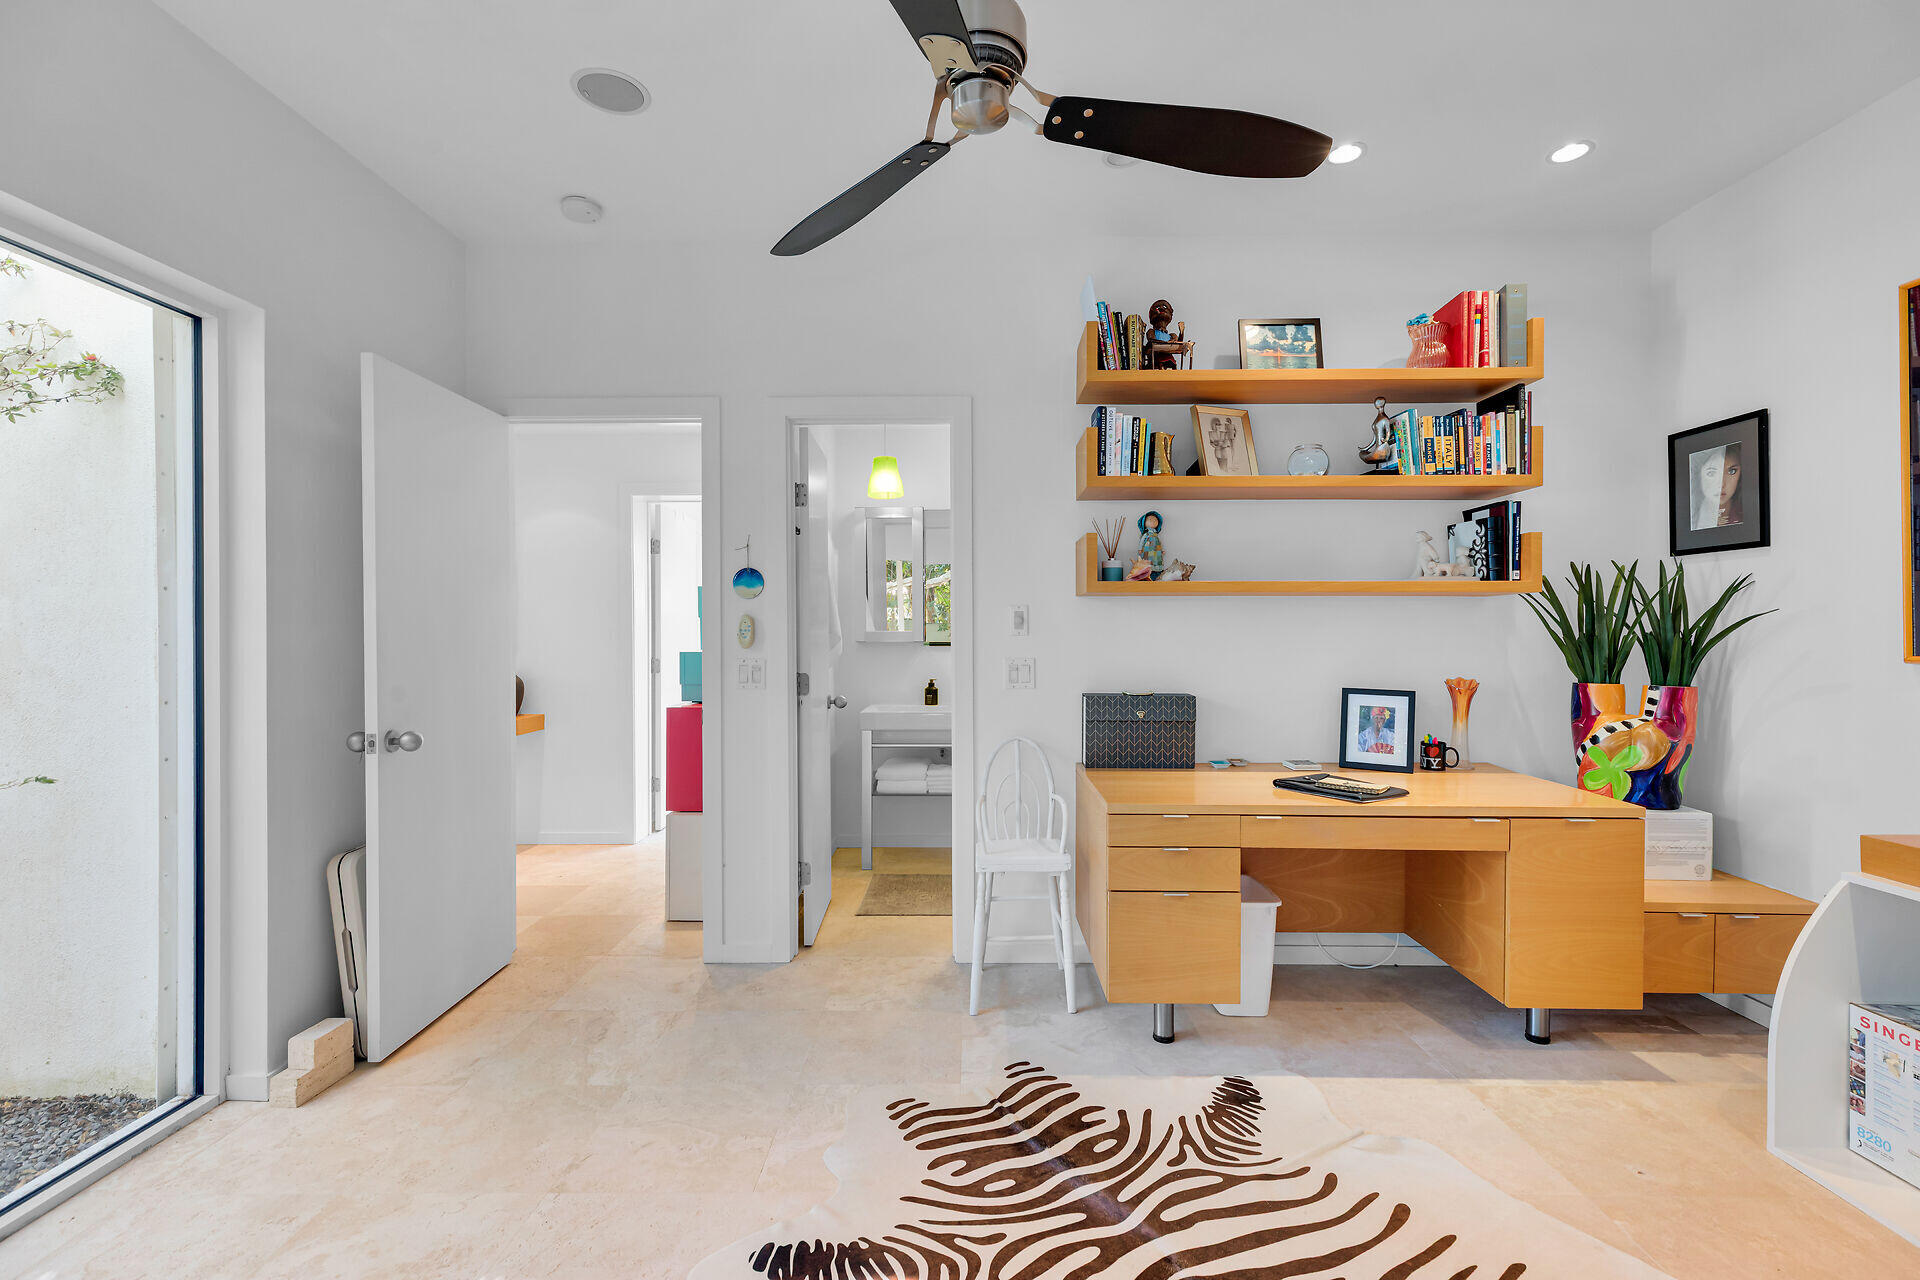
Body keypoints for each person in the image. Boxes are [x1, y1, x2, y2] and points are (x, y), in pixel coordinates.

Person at [1690, 442, 1744, 530]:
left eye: (1732, 471)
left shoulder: (1748, 515)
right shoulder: (1690, 518)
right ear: (1698, 475)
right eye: (1711, 473)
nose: (1722, 484)